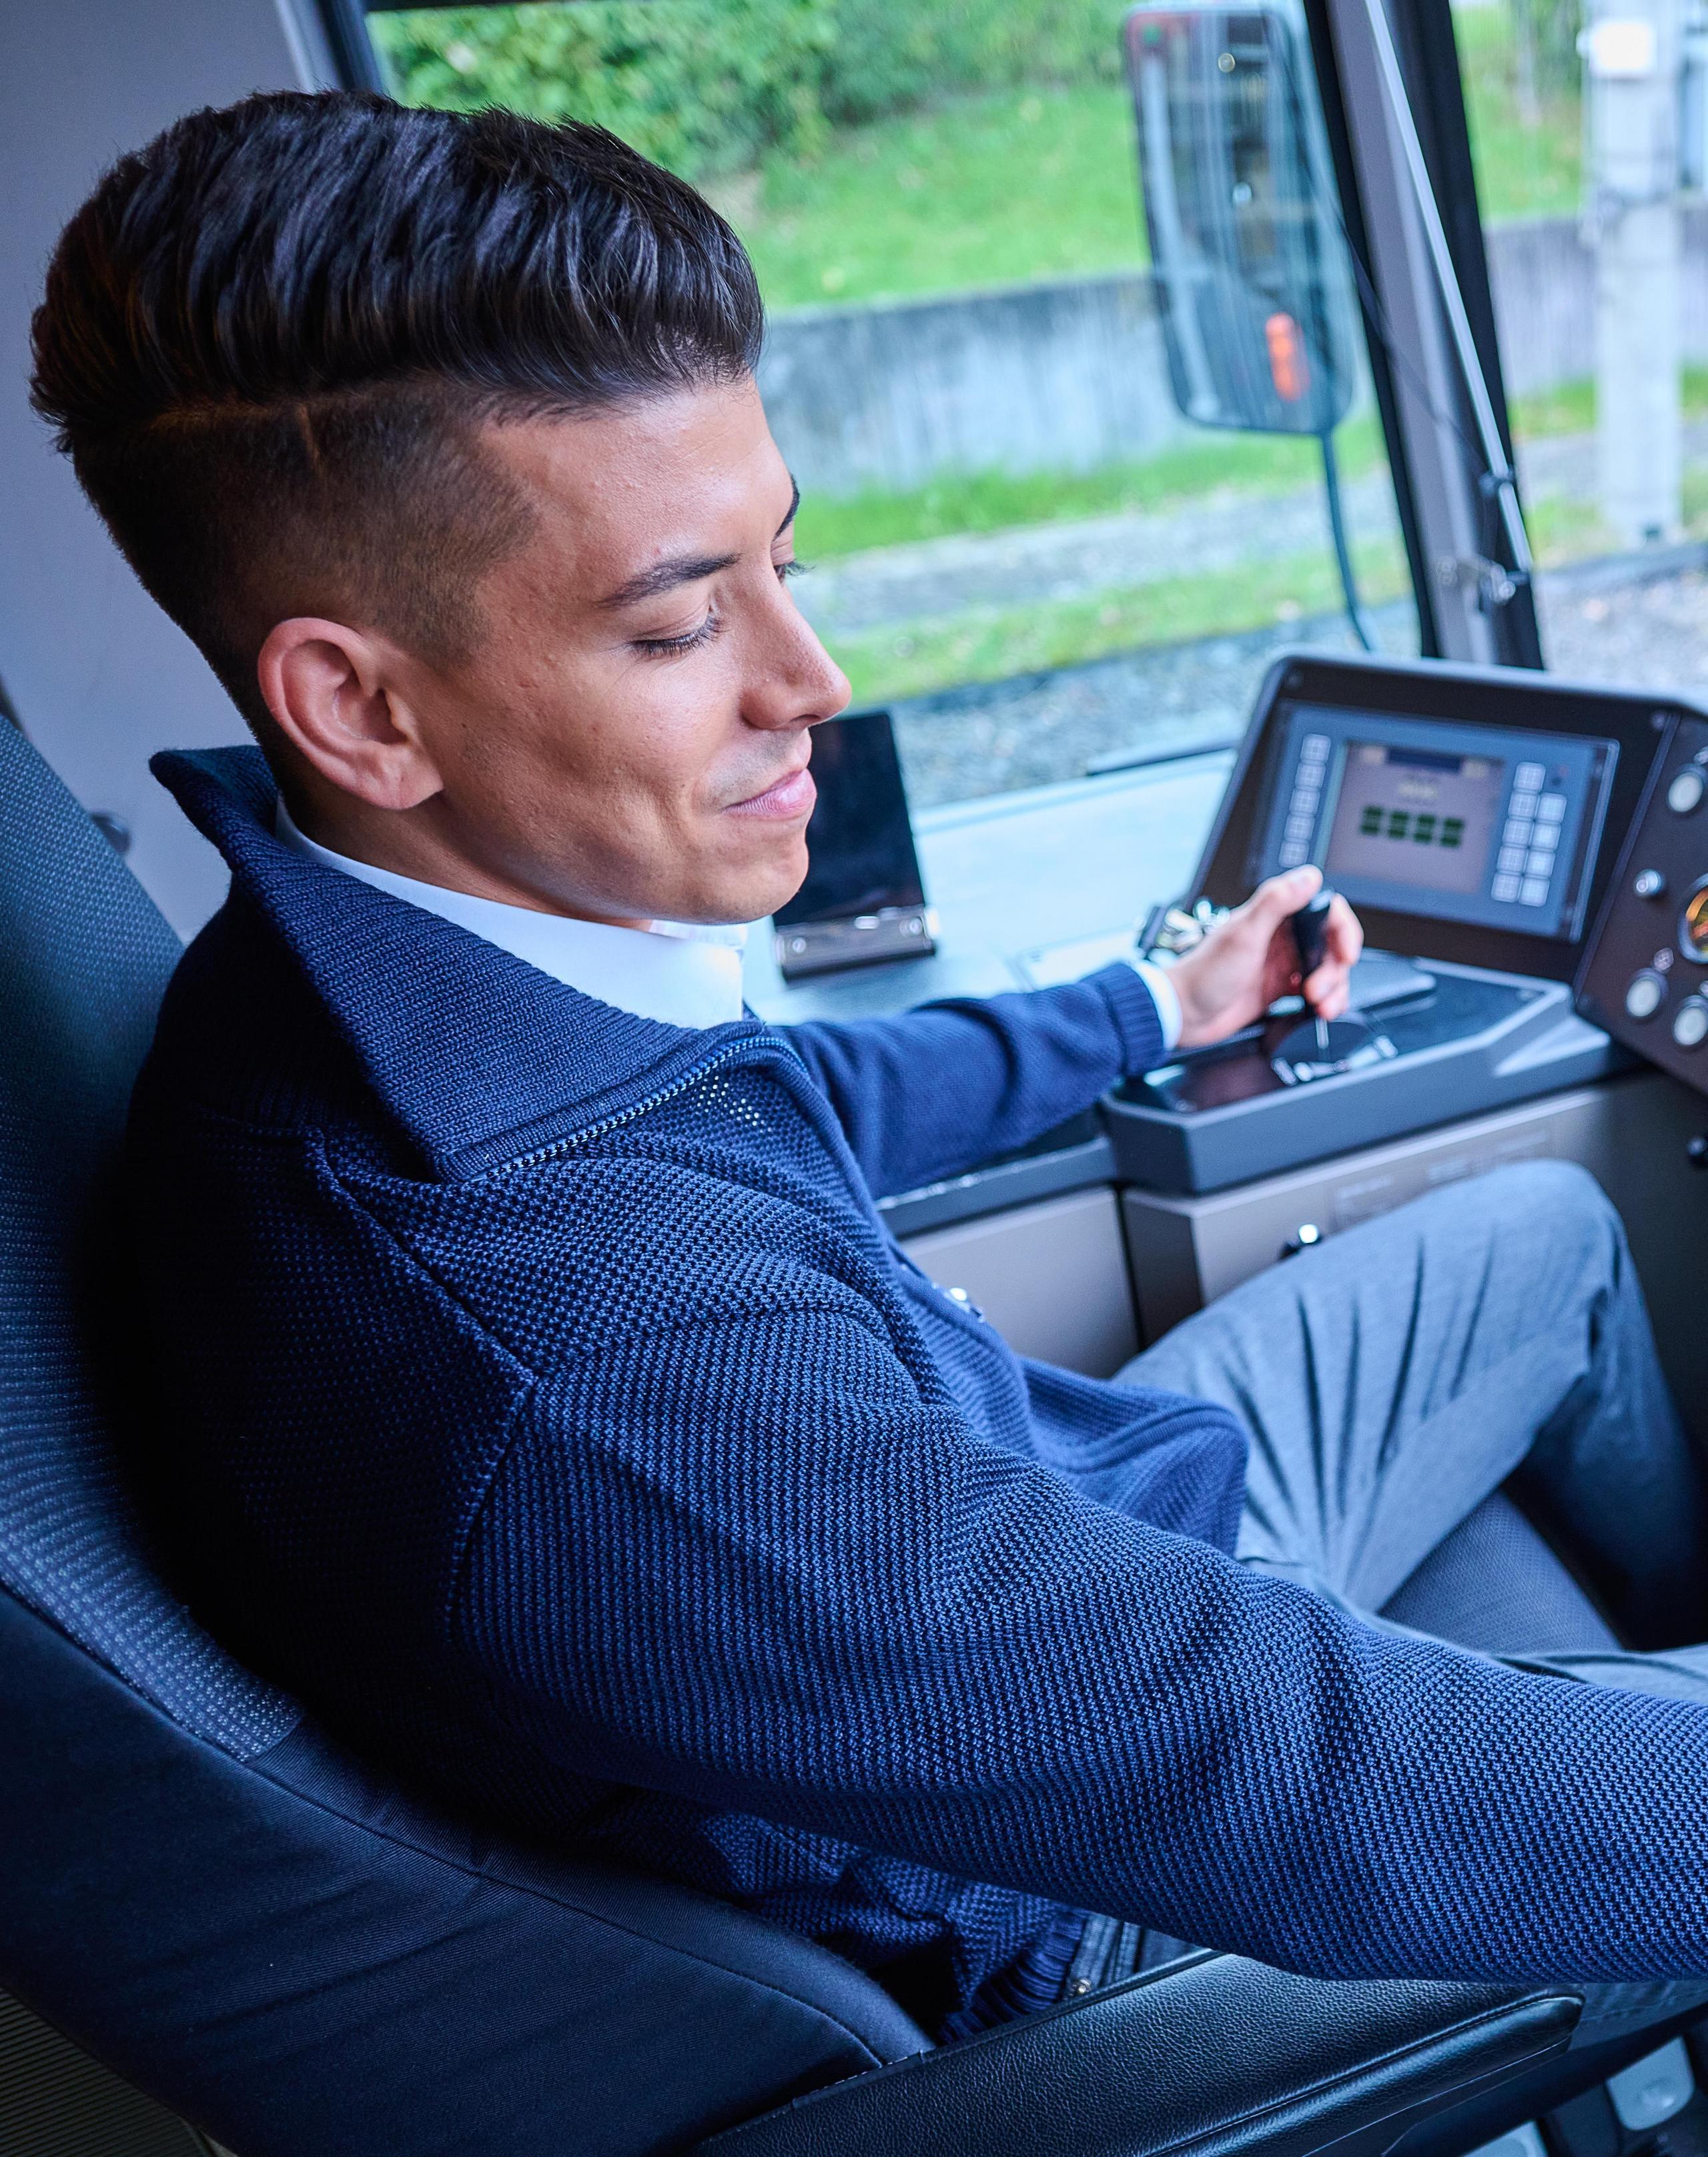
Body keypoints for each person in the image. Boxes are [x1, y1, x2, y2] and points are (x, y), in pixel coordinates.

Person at [30, 87, 1708, 2049]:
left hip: (1077, 1537)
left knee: (1543, 1232)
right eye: (679, 625)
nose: (810, 676)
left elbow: (764, 1109)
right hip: (1093, 1913)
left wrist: (1146, 1014)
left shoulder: (367, 975)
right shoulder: (595, 1372)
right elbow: (1303, 1778)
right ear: (359, 705)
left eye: (783, 562)